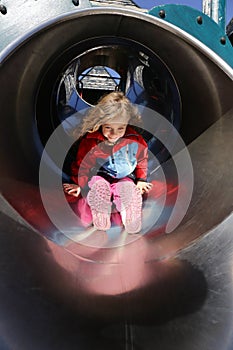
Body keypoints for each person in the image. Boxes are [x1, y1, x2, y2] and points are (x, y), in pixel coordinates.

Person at [63, 91, 152, 233]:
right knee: (99, 184)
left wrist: (141, 179)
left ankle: (130, 214)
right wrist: (77, 183)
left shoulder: (134, 139)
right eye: (108, 128)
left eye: (120, 128)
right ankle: (100, 213)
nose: (114, 134)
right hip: (100, 174)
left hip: (125, 176)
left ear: (127, 124)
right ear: (100, 123)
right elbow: (82, 164)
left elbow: (141, 159)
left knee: (127, 187)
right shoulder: (92, 141)